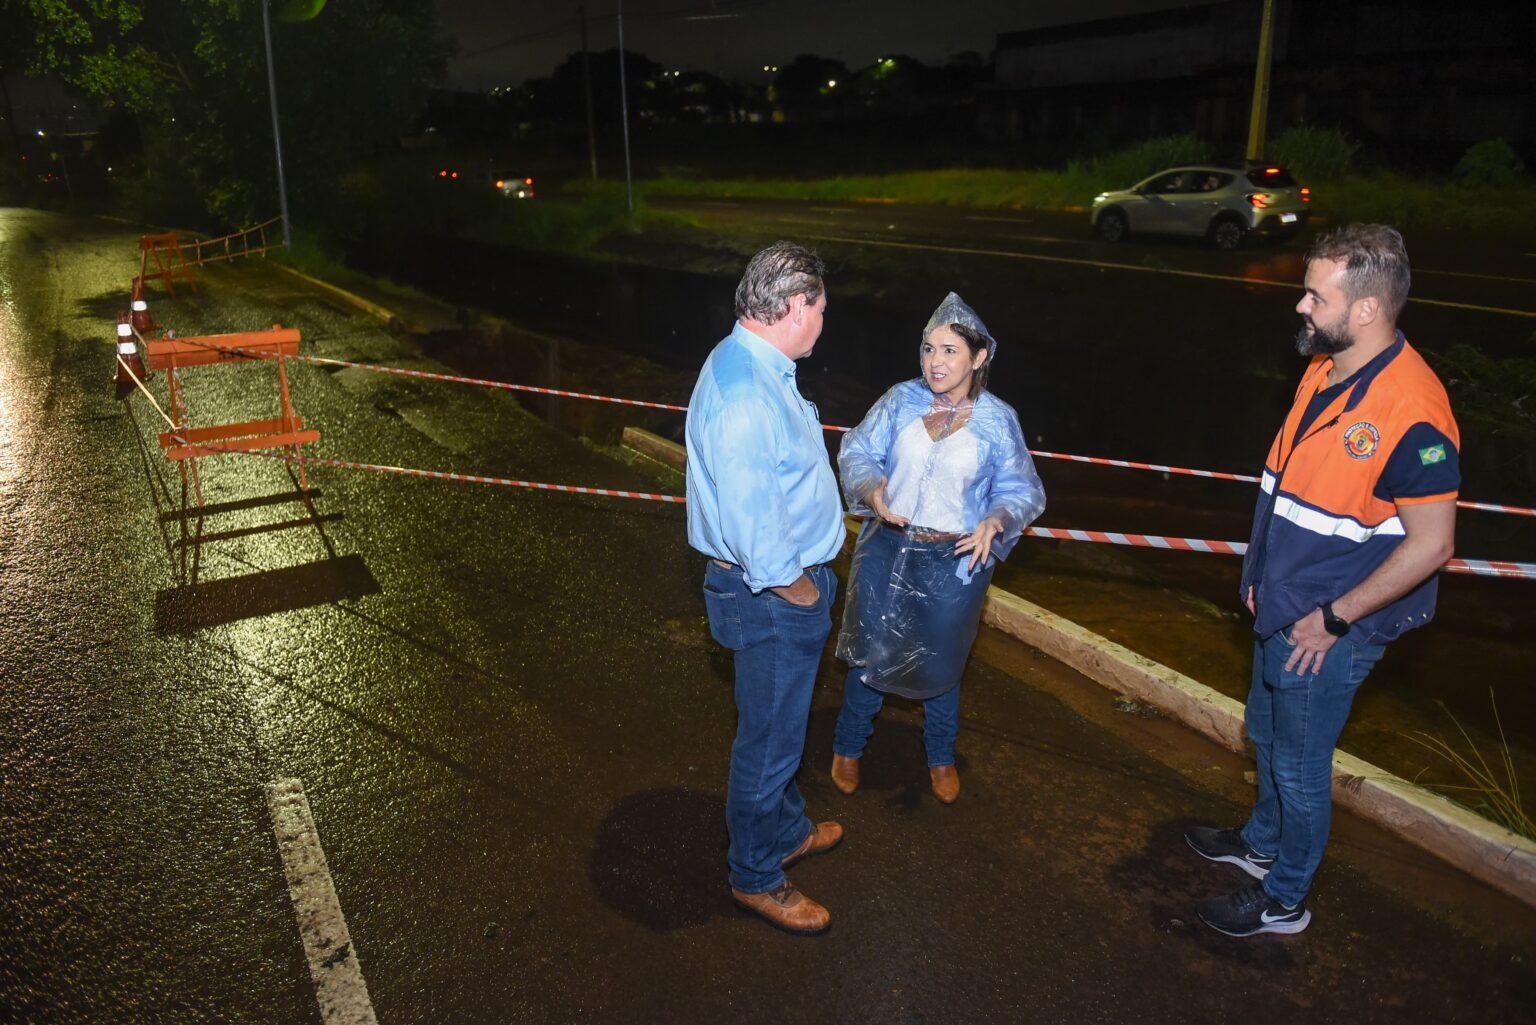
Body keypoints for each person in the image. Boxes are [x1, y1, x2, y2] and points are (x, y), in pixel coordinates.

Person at [1186, 224, 1460, 937]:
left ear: (1366, 308)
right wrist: (1257, 574)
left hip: (1325, 626)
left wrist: (1334, 618)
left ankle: (1284, 897)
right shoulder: (1327, 365)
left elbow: (1433, 545)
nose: (1301, 305)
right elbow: (1289, 487)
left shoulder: (1415, 412)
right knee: (1270, 735)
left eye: (1315, 294)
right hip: (1282, 601)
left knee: (1304, 768)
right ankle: (1262, 844)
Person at [685, 241, 847, 936]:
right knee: (771, 741)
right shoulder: (746, 396)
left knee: (781, 727)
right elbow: (758, 534)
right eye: (820, 308)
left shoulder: (756, 364)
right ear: (790, 308)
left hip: (781, 589)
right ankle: (755, 874)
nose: (823, 321)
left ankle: (782, 830)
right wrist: (803, 593)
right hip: (774, 596)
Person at [829, 293, 1046, 804]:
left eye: (950, 351)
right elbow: (857, 449)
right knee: (871, 652)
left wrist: (997, 519)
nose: (935, 363)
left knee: (943, 662)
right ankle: (847, 746)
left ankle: (941, 755)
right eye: (929, 349)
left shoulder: (998, 421)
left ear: (979, 357)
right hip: (886, 548)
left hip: (954, 562)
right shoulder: (900, 401)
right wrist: (872, 488)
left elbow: (1021, 489)